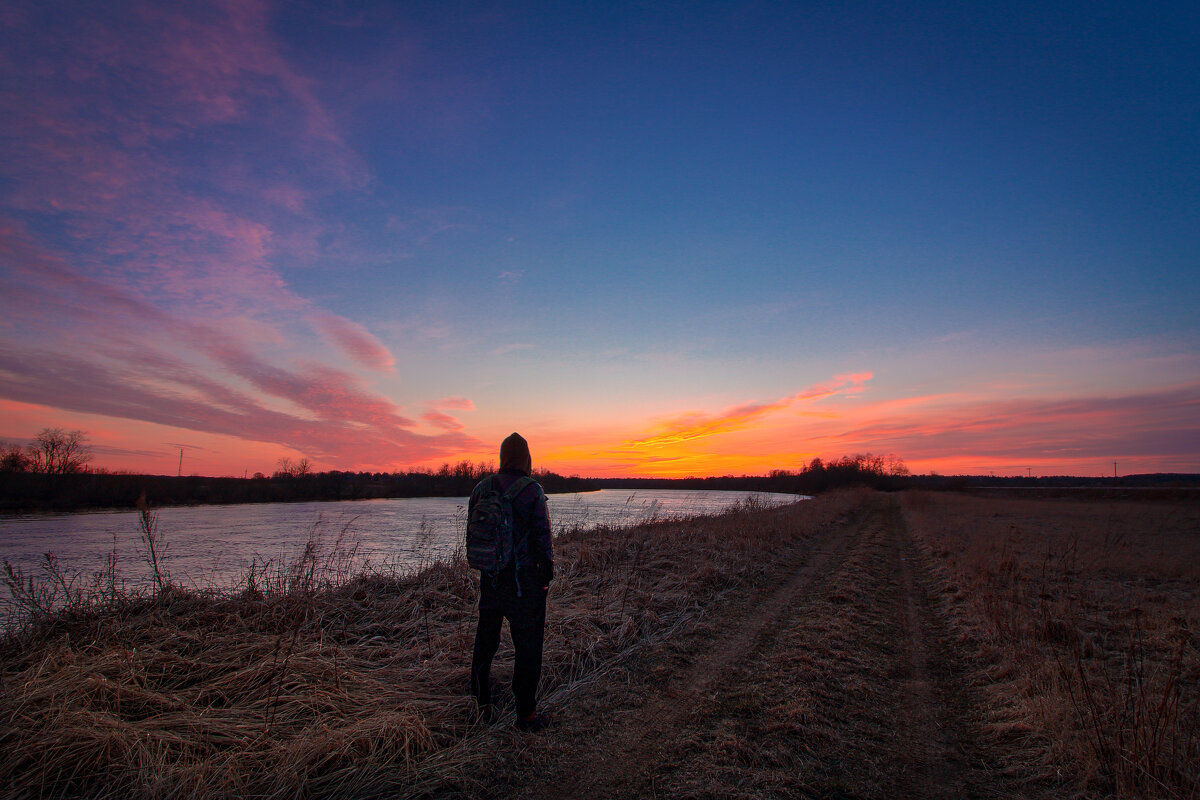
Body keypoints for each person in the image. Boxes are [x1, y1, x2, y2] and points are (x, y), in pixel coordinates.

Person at [468, 432, 554, 732]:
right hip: (524, 584)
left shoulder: (481, 487)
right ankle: (526, 715)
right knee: (528, 647)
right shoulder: (532, 491)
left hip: (490, 579)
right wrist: (546, 577)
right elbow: (543, 541)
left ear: (502, 456)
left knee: (486, 641)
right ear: (526, 457)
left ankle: (481, 702)